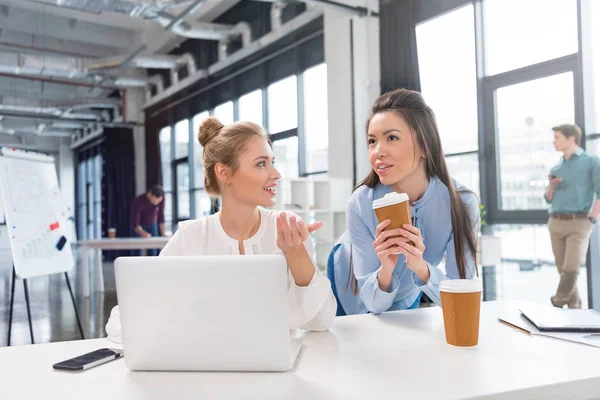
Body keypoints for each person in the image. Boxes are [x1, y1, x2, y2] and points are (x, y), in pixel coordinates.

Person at [106, 117, 336, 342]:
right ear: (224, 173)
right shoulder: (190, 237)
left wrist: (297, 257)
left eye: (272, 162)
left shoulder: (287, 229)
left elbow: (322, 321)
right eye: (261, 164)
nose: (276, 174)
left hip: (279, 367)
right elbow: (124, 316)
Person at [345, 88, 480, 315]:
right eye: (371, 141)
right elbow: (372, 303)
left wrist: (420, 266)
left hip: (408, 293)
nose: (377, 152)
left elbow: (462, 297)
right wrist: (385, 268)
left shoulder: (461, 203)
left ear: (425, 145)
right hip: (351, 284)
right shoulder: (359, 203)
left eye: (392, 138)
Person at [545, 124, 600, 309]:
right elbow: (548, 199)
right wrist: (552, 186)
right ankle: (575, 308)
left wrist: (592, 218)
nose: (554, 141)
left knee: (571, 269)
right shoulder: (557, 166)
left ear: (571, 139)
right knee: (563, 271)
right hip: (556, 222)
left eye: (557, 137)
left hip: (579, 222)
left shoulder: (591, 161)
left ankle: (557, 302)